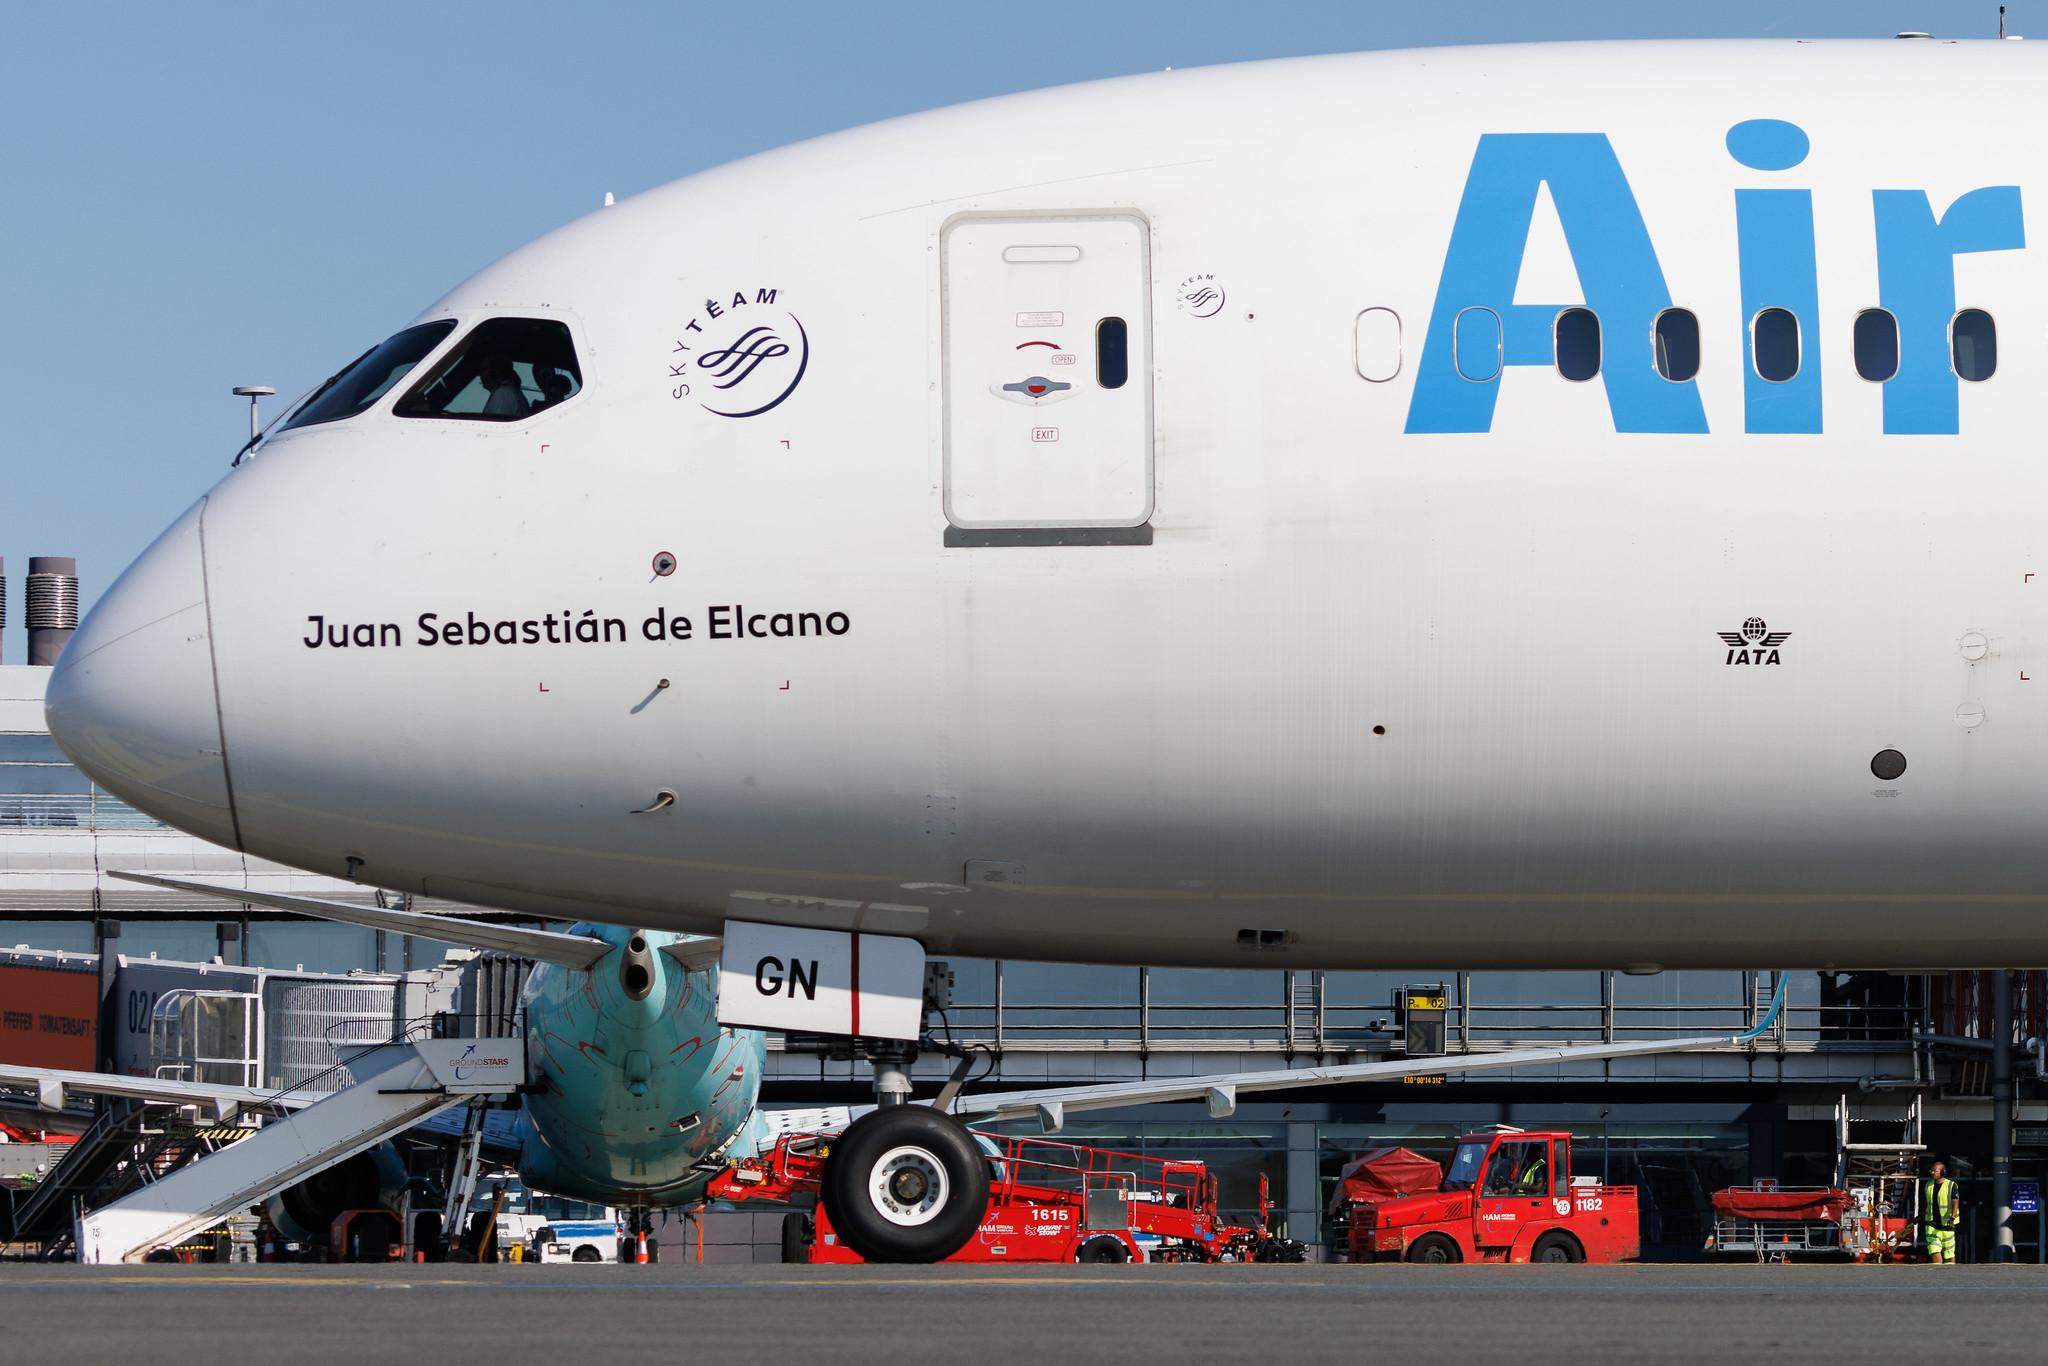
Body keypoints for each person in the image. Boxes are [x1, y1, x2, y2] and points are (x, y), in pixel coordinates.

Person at [1923, 1160, 1960, 1264]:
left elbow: (1955, 1202)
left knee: (1949, 1255)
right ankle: (1938, 1271)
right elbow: (1926, 1202)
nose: (1932, 1173)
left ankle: (1949, 1271)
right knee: (1934, 1250)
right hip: (1932, 1224)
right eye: (1931, 1170)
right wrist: (1922, 1215)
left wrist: (1952, 1217)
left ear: (1943, 1172)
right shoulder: (1928, 1185)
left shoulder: (1951, 1185)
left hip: (1947, 1224)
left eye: (1935, 1171)